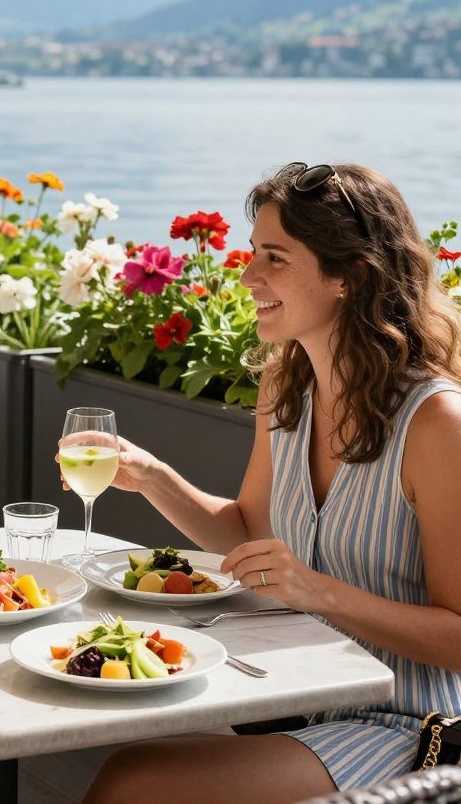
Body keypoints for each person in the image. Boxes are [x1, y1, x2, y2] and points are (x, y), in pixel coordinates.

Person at [81, 163, 461, 804]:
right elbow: (248, 532)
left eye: (275, 258)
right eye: (253, 252)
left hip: (406, 728)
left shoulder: (435, 423)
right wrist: (152, 478)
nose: (249, 276)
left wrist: (319, 592)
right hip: (294, 696)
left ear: (351, 275)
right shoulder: (287, 387)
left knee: (132, 782)